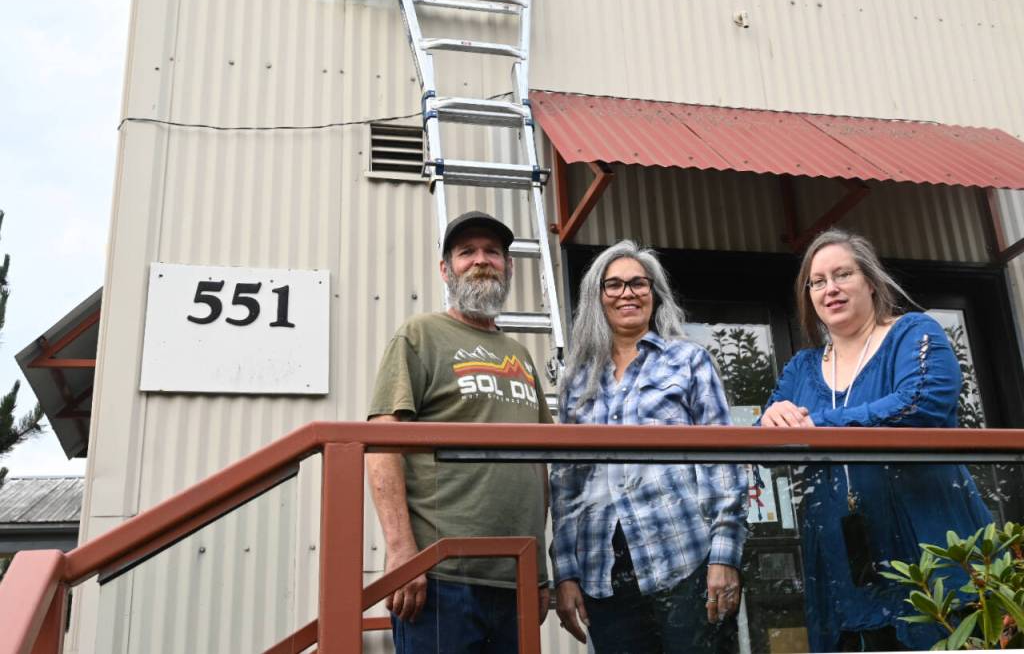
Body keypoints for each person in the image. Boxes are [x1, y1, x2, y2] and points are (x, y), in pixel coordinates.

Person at [760, 228, 993, 652]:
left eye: (842, 274)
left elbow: (919, 405)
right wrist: (770, 419)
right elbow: (768, 441)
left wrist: (820, 425)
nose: (830, 289)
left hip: (930, 545)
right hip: (842, 564)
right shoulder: (801, 367)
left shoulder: (913, 333)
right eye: (817, 281)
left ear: (870, 280)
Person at [366, 210, 551, 654]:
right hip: (441, 576)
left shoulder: (521, 355)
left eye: (493, 252)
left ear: (509, 267)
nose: (481, 260)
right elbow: (380, 444)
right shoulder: (420, 335)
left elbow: (539, 467)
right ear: (446, 270)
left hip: (516, 578)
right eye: (467, 252)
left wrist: (540, 572)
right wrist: (401, 553)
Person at [550, 240, 748, 654]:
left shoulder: (689, 361)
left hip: (686, 563)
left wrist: (724, 555)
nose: (628, 293)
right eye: (614, 285)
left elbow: (722, 462)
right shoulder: (577, 380)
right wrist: (565, 572)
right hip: (604, 574)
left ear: (654, 294)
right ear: (597, 298)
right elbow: (566, 483)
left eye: (638, 283)